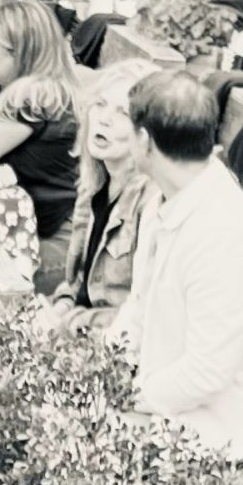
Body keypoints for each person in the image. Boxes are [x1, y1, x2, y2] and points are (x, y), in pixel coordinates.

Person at [112, 70, 243, 461]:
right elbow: (138, 307)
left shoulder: (223, 233)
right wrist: (103, 370)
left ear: (144, 141)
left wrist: (127, 396)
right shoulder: (164, 197)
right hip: (159, 401)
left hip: (217, 431)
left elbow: (207, 372)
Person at [0, 0, 82, 291]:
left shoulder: (29, 97)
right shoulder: (53, 88)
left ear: (21, 54)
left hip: (50, 254)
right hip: (61, 241)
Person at [58, 61, 160, 314]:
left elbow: (142, 314)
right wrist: (63, 303)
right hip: (79, 323)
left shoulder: (152, 200)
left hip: (109, 333)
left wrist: (73, 321)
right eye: (100, 104)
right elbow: (78, 282)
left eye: (123, 113)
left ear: (146, 131)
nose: (104, 119)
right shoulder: (94, 181)